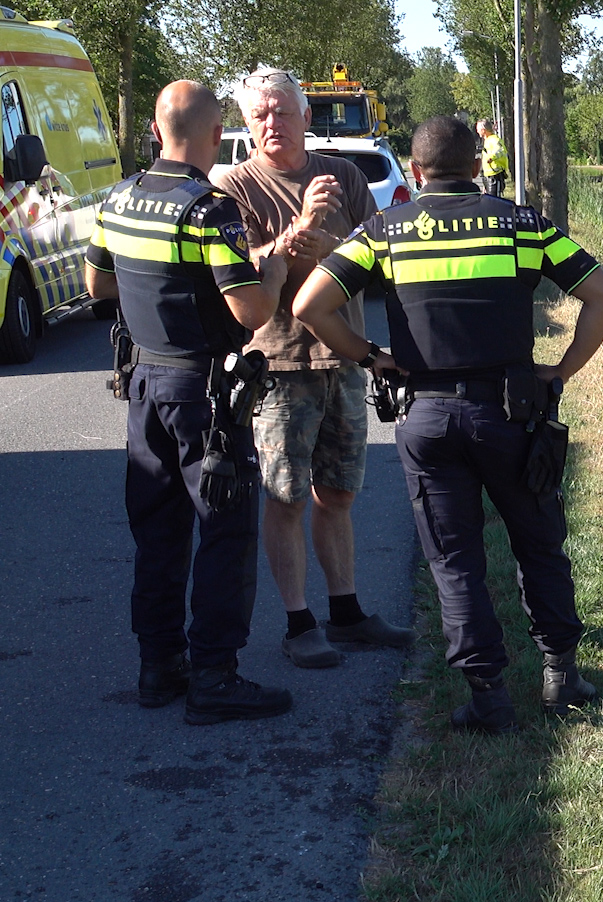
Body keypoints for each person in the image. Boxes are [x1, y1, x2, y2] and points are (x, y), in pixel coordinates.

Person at [293, 116, 603, 733]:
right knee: (539, 543)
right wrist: (561, 372)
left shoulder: (384, 231)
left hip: (429, 417)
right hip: (513, 412)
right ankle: (560, 676)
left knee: (455, 559)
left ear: (415, 173)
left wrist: (371, 356)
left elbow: (308, 305)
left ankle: (489, 696)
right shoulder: (521, 224)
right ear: (478, 166)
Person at [84, 81, 293, 725]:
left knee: (158, 531)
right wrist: (276, 262)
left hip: (143, 388)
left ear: (153, 129)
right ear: (212, 135)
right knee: (225, 531)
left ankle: (158, 666)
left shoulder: (117, 200)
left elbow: (98, 285)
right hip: (203, 397)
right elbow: (251, 310)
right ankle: (214, 677)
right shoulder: (208, 210)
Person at [217, 67, 414, 669]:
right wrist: (295, 233)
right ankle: (299, 623)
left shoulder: (345, 176)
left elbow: (375, 256)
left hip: (344, 357)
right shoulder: (235, 188)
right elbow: (237, 276)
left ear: (307, 116)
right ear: (247, 126)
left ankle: (347, 612)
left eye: (282, 111)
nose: (272, 123)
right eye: (260, 115)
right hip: (276, 366)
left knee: (338, 494)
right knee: (286, 497)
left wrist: (324, 247)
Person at [478, 119, 509, 199]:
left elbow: (501, 151)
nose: (477, 131)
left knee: (495, 201)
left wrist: (492, 157)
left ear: (483, 130)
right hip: (488, 177)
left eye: (478, 129)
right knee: (490, 201)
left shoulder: (494, 139)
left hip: (495, 176)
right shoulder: (487, 140)